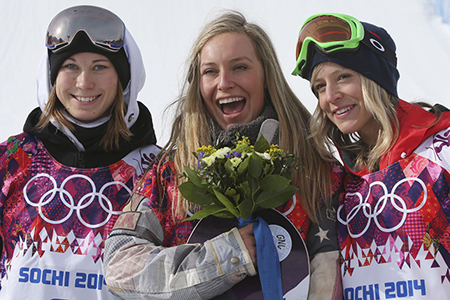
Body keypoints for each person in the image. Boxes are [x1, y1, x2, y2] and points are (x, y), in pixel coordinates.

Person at [104, 10, 344, 300]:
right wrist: (224, 258)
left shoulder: (314, 167)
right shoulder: (173, 170)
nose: (224, 82)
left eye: (239, 67)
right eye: (210, 71)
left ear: (266, 75)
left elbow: (329, 276)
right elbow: (119, 267)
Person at [0, 5, 159, 299]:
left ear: (124, 79)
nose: (84, 83)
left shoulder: (156, 171)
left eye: (100, 66)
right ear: (52, 76)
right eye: (70, 66)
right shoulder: (11, 161)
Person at [292, 12, 450, 299]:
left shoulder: (441, 150)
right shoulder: (339, 181)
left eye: (343, 77)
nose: (330, 96)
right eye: (320, 87)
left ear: (375, 79)